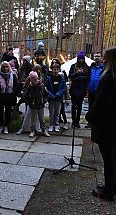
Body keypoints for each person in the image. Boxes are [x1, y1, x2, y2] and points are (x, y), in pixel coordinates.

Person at [85, 47, 116, 202]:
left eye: (105, 57)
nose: (102, 60)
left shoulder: (109, 78)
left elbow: (101, 103)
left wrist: (89, 116)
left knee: (108, 159)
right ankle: (112, 186)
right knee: (112, 158)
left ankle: (108, 191)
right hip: (112, 123)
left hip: (106, 125)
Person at [0, 61, 18, 134]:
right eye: (4, 67)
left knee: (8, 111)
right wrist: (0, 87)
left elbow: (16, 86)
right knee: (0, 112)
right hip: (1, 95)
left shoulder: (12, 76)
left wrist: (13, 92)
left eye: (7, 67)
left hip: (9, 95)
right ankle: (0, 126)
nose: (5, 68)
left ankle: (6, 126)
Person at [24, 71, 49, 138]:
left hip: (40, 104)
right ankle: (32, 130)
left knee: (42, 119)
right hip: (33, 105)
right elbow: (26, 96)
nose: (36, 80)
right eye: (33, 79)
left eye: (36, 78)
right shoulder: (30, 87)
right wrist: (29, 103)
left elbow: (46, 94)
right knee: (33, 119)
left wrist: (44, 101)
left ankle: (44, 130)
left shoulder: (41, 86)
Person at [69, 50, 88, 128]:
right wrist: (77, 73)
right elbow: (70, 75)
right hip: (74, 89)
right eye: (80, 59)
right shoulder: (73, 66)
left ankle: (77, 121)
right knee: (73, 106)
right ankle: (73, 121)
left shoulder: (86, 67)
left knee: (79, 106)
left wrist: (78, 76)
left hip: (82, 89)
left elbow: (87, 77)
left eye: (82, 59)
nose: (81, 60)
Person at [46, 63, 66, 132]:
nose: (56, 71)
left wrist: (58, 94)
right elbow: (46, 88)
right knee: (51, 112)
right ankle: (51, 125)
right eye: (54, 69)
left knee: (57, 112)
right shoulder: (49, 78)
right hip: (51, 98)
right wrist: (51, 94)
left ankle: (56, 125)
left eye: (57, 69)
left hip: (58, 98)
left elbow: (64, 88)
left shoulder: (62, 79)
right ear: (52, 70)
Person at [85, 52, 104, 128]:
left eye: (98, 56)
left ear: (101, 58)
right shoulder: (91, 67)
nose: (97, 58)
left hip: (99, 92)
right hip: (91, 91)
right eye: (95, 56)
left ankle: (97, 122)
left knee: (98, 107)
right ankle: (90, 122)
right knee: (90, 107)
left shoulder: (104, 68)